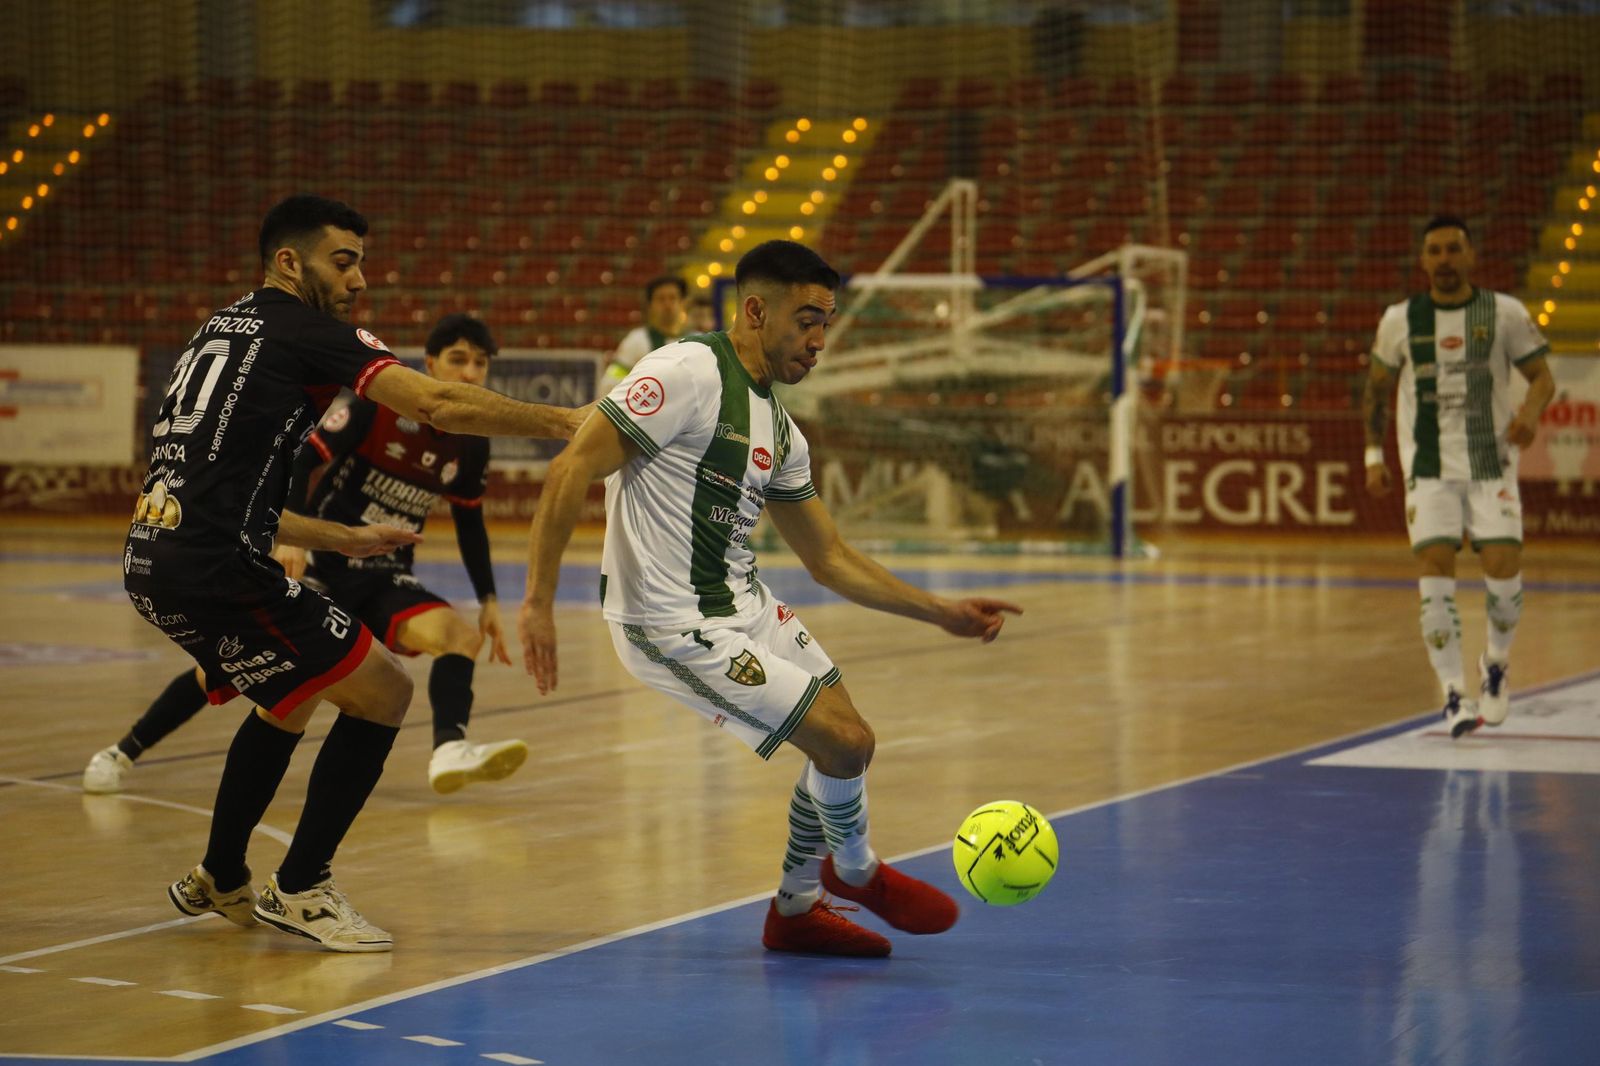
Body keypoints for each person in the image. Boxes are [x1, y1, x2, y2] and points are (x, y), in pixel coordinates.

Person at [518, 240, 1022, 957]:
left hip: (742, 605)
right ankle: (856, 872)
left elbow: (830, 559)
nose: (819, 341)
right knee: (846, 742)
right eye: (807, 320)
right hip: (668, 622)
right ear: (755, 310)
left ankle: (795, 910)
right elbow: (573, 466)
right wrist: (538, 600)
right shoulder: (686, 372)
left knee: (843, 743)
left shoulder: (782, 431)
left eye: (827, 323)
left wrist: (943, 613)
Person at [124, 195, 585, 952]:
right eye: (344, 261)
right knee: (385, 692)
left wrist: (341, 534)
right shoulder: (308, 330)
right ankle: (302, 888)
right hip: (218, 566)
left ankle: (221, 872)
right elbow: (433, 402)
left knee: (289, 699)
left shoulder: (220, 327)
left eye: (362, 263)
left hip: (153, 555)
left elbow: (221, 486)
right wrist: (570, 421)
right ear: (288, 262)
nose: (360, 280)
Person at [85, 313, 527, 797]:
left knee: (460, 638)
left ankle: (449, 750)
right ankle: (122, 751)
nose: (469, 373)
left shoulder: (472, 444)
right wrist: (291, 537)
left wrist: (488, 598)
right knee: (222, 671)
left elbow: (469, 521)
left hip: (384, 576)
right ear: (430, 363)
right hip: (324, 567)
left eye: (479, 364)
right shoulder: (375, 408)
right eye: (458, 360)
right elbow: (301, 459)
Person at [1363, 214, 1555, 738]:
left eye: (1453, 249)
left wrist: (1530, 415)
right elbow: (1377, 389)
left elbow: (1542, 378)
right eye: (1435, 251)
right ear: (1423, 260)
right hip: (1427, 467)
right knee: (1435, 571)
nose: (1444, 259)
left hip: (1490, 462)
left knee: (1503, 568)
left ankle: (1494, 662)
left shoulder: (1504, 313)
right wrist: (1372, 457)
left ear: (1470, 256)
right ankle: (1452, 695)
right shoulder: (1400, 320)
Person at [601, 274, 687, 386]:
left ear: (682, 303)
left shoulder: (696, 341)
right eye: (661, 299)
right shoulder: (636, 340)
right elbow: (609, 383)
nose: (667, 305)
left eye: (672, 298)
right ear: (650, 305)